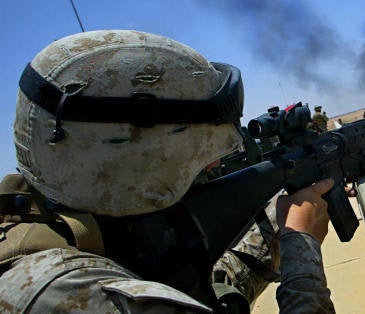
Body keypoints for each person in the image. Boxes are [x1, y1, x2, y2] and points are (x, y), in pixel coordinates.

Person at [0, 30, 334, 313]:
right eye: (202, 156)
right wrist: (302, 250)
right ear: (137, 159)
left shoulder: (80, 231)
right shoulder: (80, 298)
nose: (215, 165)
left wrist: (280, 222)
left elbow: (199, 292)